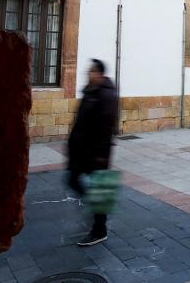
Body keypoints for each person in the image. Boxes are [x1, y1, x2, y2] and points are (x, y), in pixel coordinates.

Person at [67, 59, 118, 246]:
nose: (88, 73)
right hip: (82, 149)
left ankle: (99, 229)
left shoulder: (106, 96)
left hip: (96, 152)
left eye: (91, 71)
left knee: (97, 189)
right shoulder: (90, 91)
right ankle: (98, 209)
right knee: (73, 181)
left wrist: (101, 153)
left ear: (100, 74)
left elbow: (106, 127)